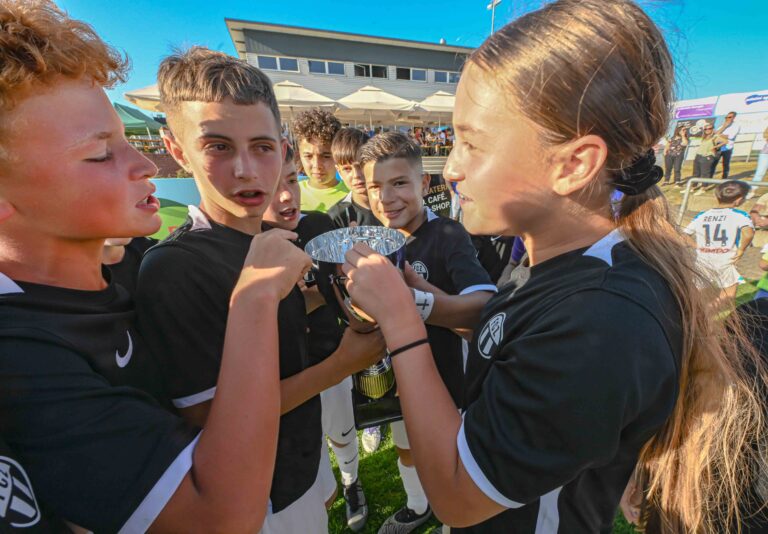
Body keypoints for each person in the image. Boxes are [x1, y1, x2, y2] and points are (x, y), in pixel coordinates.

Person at [338, 1, 768, 532]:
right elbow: (508, 329)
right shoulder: (551, 256)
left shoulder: (602, 320)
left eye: (472, 144)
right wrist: (430, 305)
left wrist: (401, 325)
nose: (450, 169)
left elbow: (456, 495)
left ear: (573, 164)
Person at [0, 2, 313, 532]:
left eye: (126, 140)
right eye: (101, 154)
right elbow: (218, 514)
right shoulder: (21, 352)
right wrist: (255, 296)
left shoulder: (118, 270)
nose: (145, 165)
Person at [134, 47, 384, 533]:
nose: (247, 170)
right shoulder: (173, 269)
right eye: (219, 146)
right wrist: (341, 366)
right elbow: (209, 416)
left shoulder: (269, 238)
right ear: (176, 147)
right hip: (256, 502)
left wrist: (325, 300)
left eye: (263, 146)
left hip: (300, 468)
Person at [359, 132, 497, 533]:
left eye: (399, 183)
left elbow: (484, 303)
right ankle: (419, 505)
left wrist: (414, 305)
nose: (385, 198)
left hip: (448, 384)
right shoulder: (377, 238)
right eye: (374, 186)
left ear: (423, 184)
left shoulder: (449, 235)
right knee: (408, 447)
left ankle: (450, 519)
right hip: (398, 379)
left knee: (448, 460)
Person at [263, 145, 371, 532]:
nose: (287, 194)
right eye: (273, 185)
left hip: (329, 354)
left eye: (292, 179)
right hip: (284, 379)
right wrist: (300, 299)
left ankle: (352, 482)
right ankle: (329, 490)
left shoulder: (318, 225)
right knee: (308, 454)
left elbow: (338, 289)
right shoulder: (248, 246)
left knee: (342, 431)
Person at [684, 180, 754, 301]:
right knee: (728, 293)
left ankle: (693, 313)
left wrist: (697, 246)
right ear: (739, 200)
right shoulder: (740, 215)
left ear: (715, 196)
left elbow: (684, 235)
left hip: (703, 259)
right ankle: (708, 314)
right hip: (725, 259)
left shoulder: (702, 215)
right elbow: (748, 234)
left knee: (698, 291)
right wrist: (741, 249)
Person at [293, 108, 349, 212]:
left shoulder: (353, 196)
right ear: (299, 155)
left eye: (326, 156)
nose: (317, 165)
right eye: (308, 156)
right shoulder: (290, 195)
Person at [327, 127, 380, 228]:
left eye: (360, 166)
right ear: (339, 172)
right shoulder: (337, 216)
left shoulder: (392, 205)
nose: (356, 175)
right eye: (347, 169)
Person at [692, 124, 726, 194]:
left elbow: (725, 141)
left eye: (709, 128)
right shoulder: (704, 137)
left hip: (707, 156)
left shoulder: (715, 137)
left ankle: (703, 188)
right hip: (699, 155)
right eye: (706, 129)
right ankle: (693, 187)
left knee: (705, 173)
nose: (707, 130)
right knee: (696, 172)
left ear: (712, 129)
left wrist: (715, 147)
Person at [712, 111, 741, 179]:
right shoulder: (723, 125)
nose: (727, 118)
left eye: (729, 117)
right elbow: (715, 134)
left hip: (727, 147)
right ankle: (709, 179)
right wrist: (724, 127)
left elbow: (730, 137)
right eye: (726, 117)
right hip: (718, 146)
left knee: (725, 164)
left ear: (734, 118)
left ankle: (724, 179)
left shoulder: (736, 126)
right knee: (713, 163)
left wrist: (719, 134)